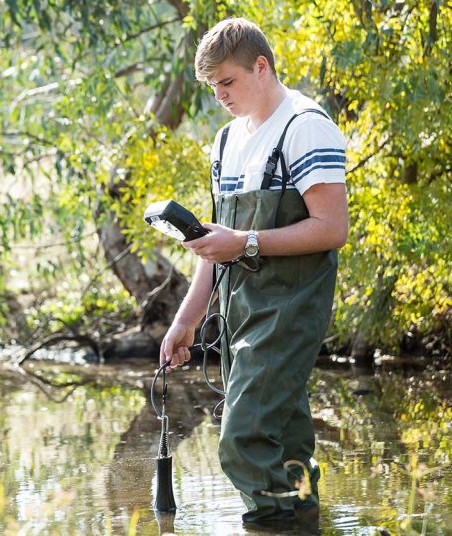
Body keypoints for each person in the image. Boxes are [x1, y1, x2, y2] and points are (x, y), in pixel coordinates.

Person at [158, 17, 348, 531]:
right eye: (212, 86)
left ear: (261, 67)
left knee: (242, 438)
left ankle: (274, 525)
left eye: (227, 82)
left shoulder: (305, 126)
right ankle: (305, 516)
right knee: (286, 437)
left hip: (291, 311)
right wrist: (186, 320)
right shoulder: (224, 142)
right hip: (240, 313)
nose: (219, 95)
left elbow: (332, 228)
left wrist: (244, 241)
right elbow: (213, 248)